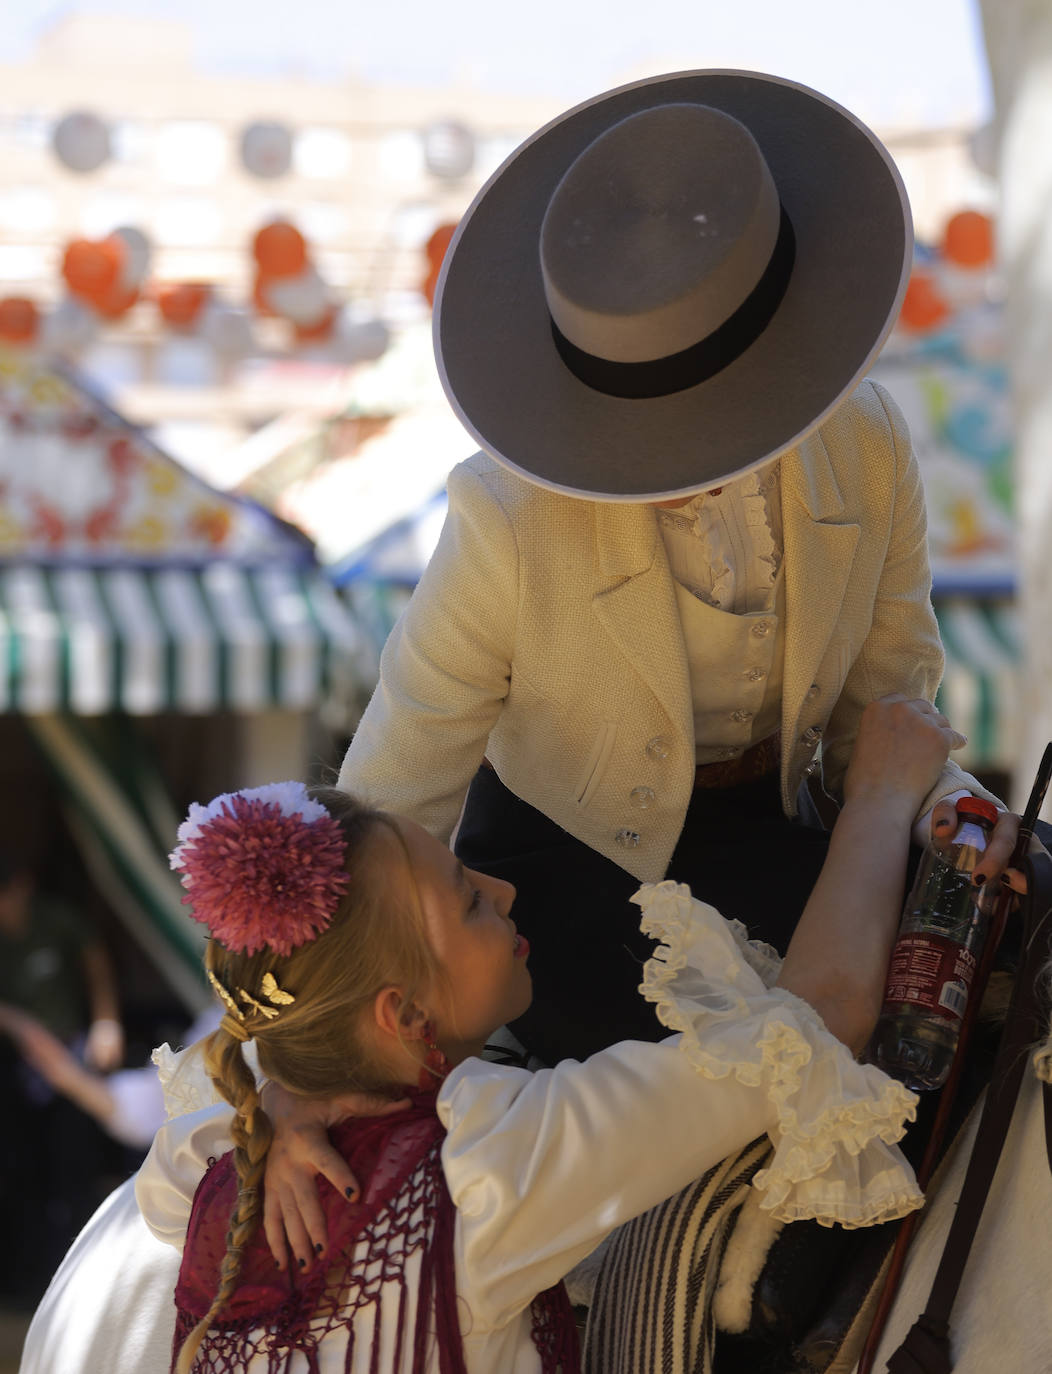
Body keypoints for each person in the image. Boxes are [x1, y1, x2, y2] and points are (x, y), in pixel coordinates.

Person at [336, 70, 1014, 1067]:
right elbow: (392, 794)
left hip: (788, 849)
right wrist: (309, 1064)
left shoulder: (868, 447)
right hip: (565, 886)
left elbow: (880, 726)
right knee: (781, 1067)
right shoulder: (504, 513)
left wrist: (961, 819)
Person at [135, 696, 966, 1373]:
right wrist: (884, 797)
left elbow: (209, 1118)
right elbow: (814, 1025)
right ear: (404, 1016)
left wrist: (282, 1097)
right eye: (466, 898)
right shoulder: (489, 1165)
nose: (503, 889)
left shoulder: (207, 1163)